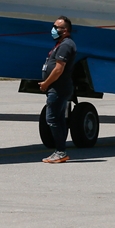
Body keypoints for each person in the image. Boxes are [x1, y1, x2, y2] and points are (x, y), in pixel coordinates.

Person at [39, 16, 76, 164]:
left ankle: (60, 151)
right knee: (59, 119)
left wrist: (46, 83)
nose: (53, 29)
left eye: (56, 27)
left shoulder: (66, 45)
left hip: (58, 88)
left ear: (65, 30)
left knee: (53, 119)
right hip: (57, 87)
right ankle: (60, 151)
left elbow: (59, 69)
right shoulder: (61, 44)